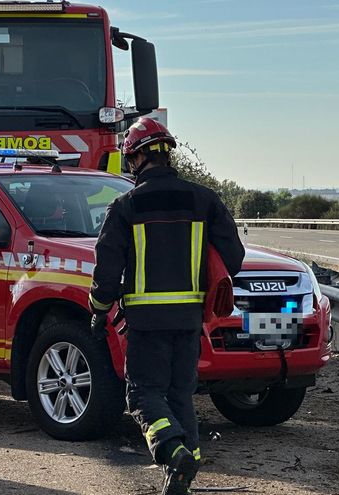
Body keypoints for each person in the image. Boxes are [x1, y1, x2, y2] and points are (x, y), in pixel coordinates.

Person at [88, 118, 245, 495]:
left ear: (139, 157)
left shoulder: (125, 205)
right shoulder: (204, 199)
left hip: (145, 321)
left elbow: (107, 267)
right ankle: (182, 473)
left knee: (142, 394)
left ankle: (173, 453)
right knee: (179, 395)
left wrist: (97, 308)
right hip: (191, 319)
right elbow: (234, 257)